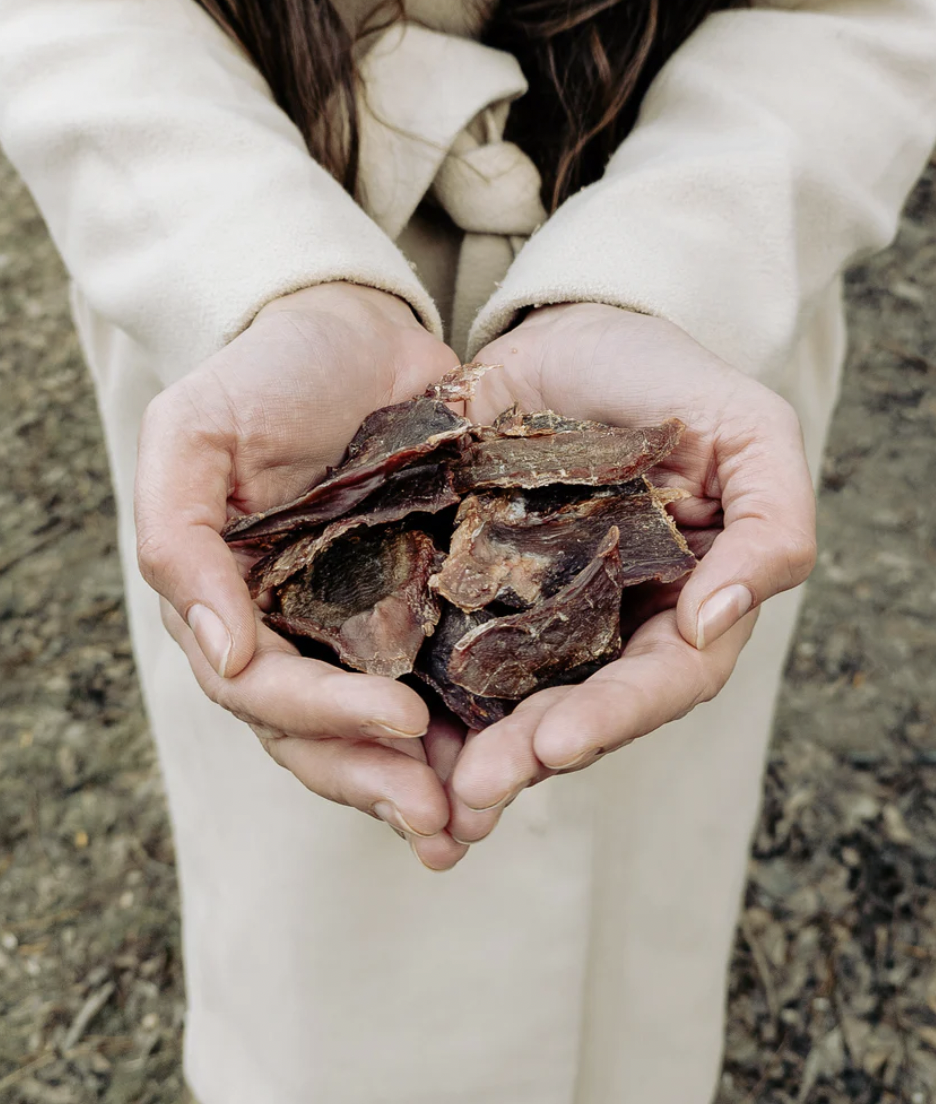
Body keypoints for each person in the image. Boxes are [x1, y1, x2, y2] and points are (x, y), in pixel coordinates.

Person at [1, 0, 935, 1100]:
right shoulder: (258, 388)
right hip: (239, 298)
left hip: (692, 305)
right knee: (319, 927)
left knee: (640, 912)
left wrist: (668, 266)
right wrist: (263, 267)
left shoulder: (672, 410)